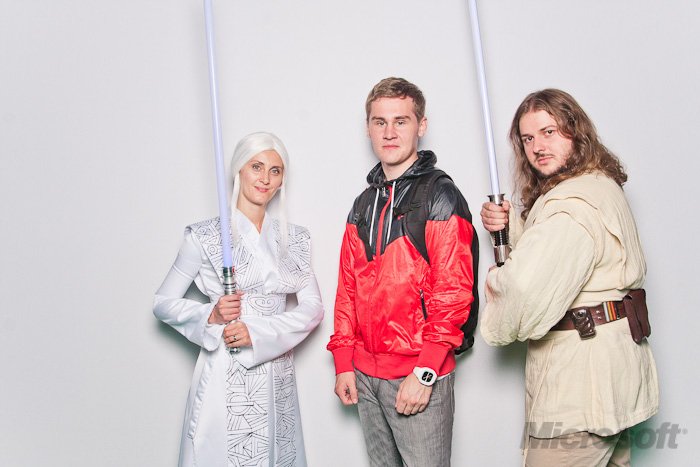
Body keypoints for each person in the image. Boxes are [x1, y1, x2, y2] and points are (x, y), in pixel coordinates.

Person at [480, 89, 658, 466]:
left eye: (549, 132)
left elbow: (525, 289)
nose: (537, 146)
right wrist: (510, 229)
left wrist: (498, 279)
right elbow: (571, 263)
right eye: (528, 138)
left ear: (575, 131)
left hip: (581, 387)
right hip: (614, 377)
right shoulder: (599, 185)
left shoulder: (570, 207)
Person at [327, 77, 478, 467]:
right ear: (368, 128)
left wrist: (425, 371)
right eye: (380, 122)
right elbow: (347, 289)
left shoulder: (440, 195)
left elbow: (454, 292)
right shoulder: (363, 204)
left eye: (401, 121)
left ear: (421, 125)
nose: (389, 132)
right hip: (365, 376)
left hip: (418, 372)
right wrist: (344, 362)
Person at [154, 132, 323, 467]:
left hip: (277, 371)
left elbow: (313, 308)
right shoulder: (204, 236)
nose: (265, 178)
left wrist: (258, 333)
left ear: (282, 180)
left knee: (277, 453)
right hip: (226, 369)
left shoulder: (295, 239)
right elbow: (162, 302)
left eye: (275, 170)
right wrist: (211, 315)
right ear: (239, 170)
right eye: (256, 166)